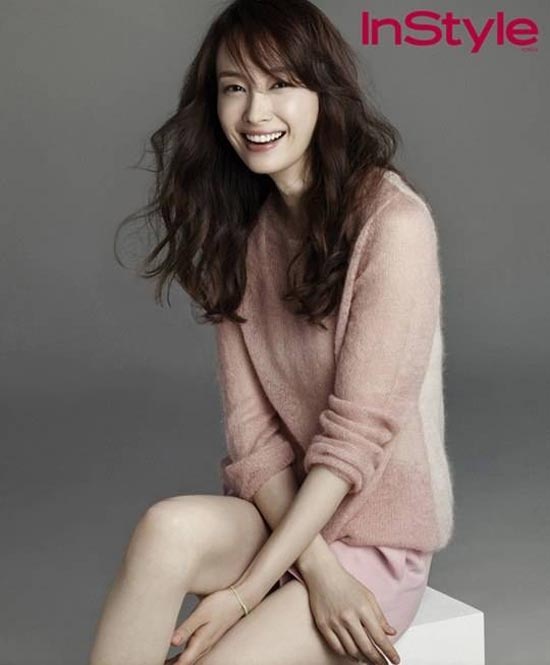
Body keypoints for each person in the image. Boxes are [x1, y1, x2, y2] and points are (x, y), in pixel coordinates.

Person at [89, 1, 455, 664]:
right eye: (235, 88)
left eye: (281, 84)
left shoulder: (392, 223)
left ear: (323, 92)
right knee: (164, 529)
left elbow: (354, 442)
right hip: (284, 526)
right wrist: (309, 568)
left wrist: (245, 594)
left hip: (371, 538)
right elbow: (253, 441)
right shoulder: (240, 232)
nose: (256, 112)